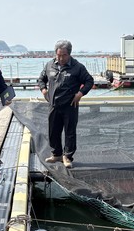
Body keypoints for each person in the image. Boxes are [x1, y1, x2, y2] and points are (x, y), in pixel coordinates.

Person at [36, 39, 94, 168]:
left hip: (70, 105)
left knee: (70, 132)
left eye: (64, 55)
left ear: (69, 54)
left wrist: (80, 94)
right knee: (53, 131)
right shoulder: (49, 65)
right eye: (58, 55)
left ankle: (67, 156)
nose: (61, 58)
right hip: (53, 104)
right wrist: (44, 90)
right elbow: (41, 79)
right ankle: (56, 154)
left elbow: (89, 81)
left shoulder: (78, 67)